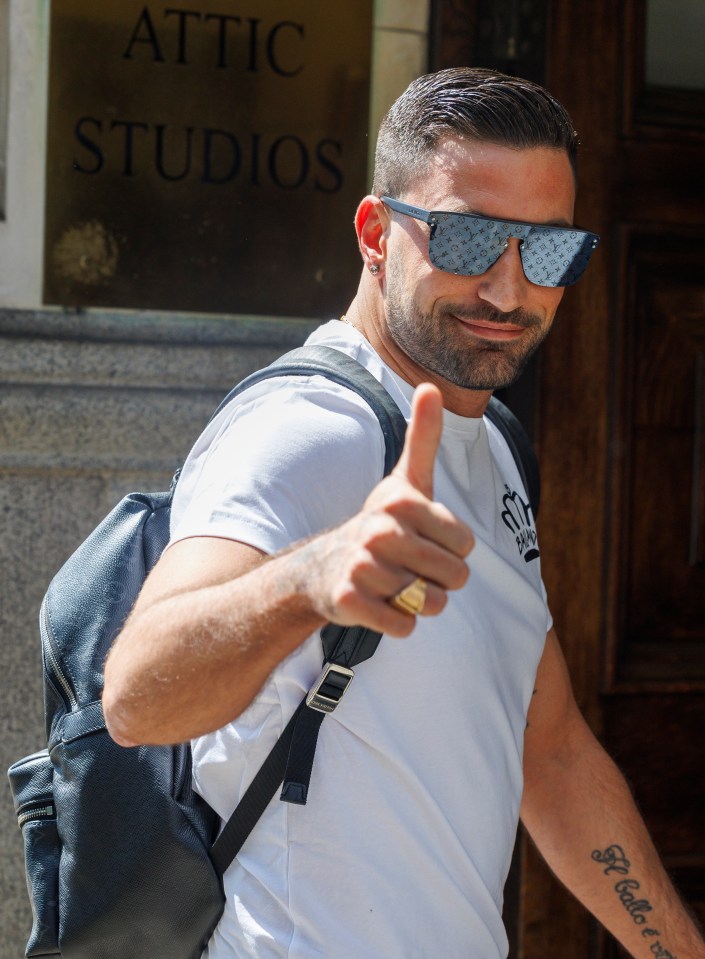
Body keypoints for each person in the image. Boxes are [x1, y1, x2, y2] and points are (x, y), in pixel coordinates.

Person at [103, 68, 704, 959]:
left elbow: (550, 750)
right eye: (465, 239)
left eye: (545, 250)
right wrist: (310, 578)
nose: (507, 291)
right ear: (375, 233)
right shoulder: (309, 429)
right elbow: (137, 698)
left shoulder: (493, 441)